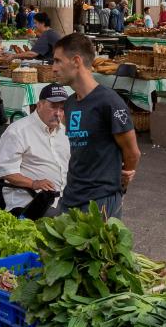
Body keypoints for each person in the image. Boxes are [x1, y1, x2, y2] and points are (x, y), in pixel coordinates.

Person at [50, 33, 139, 216]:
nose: (53, 68)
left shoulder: (109, 102)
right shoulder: (70, 103)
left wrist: (124, 178)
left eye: (58, 61)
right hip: (70, 198)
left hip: (101, 201)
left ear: (76, 61)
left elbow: (132, 152)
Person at [0, 84, 71, 217]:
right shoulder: (17, 131)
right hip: (30, 200)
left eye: (62, 108)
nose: (58, 113)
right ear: (39, 105)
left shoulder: (64, 132)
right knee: (62, 222)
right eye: (53, 107)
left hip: (64, 198)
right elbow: (7, 172)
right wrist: (34, 183)